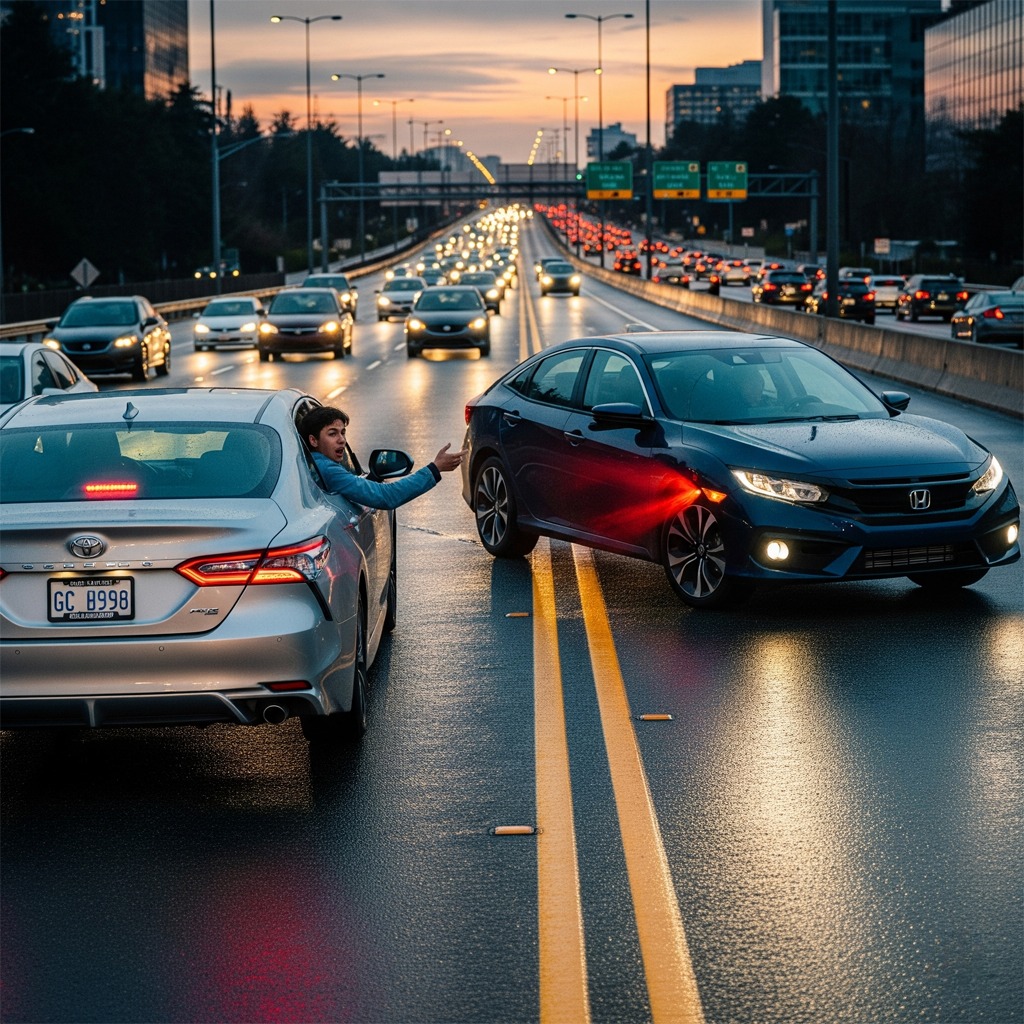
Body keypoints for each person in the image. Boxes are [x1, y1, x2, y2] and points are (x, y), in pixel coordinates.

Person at [299, 405, 466, 510]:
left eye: (343, 432)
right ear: (313, 440)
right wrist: (435, 468)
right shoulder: (326, 469)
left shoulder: (306, 464)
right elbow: (386, 496)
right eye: (332, 434)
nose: (341, 439)